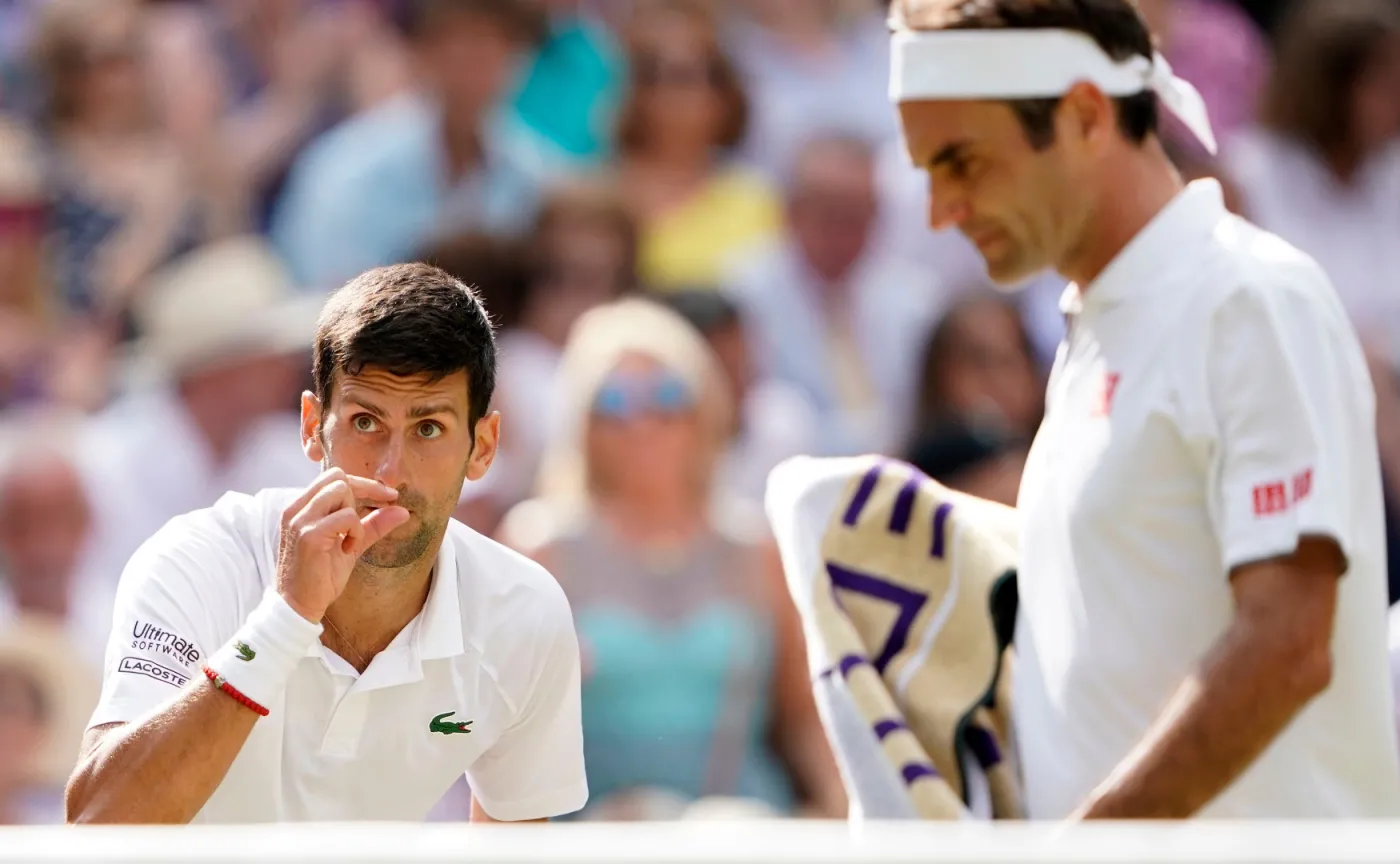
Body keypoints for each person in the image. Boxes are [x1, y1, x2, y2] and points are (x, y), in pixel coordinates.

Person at [880, 0, 1399, 818]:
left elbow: (1288, 646)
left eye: (963, 161)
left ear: (1086, 116)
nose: (940, 210)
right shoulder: (1097, 334)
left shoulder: (1250, 299)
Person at [64, 263, 587, 824]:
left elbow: (512, 846)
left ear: (483, 447)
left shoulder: (525, 609)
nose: (391, 471)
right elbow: (97, 821)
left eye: (428, 428)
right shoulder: (195, 560)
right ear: (313, 426)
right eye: (365, 422)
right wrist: (285, 619)